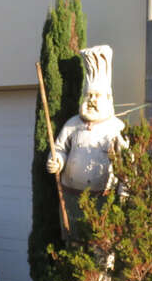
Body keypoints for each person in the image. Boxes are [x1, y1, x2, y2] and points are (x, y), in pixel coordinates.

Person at [46, 45, 128, 236]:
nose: (91, 100)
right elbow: (59, 148)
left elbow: (126, 166)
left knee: (100, 248)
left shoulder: (116, 128)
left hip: (101, 202)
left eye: (96, 96)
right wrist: (57, 160)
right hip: (70, 199)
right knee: (72, 246)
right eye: (88, 95)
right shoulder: (72, 124)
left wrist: (123, 194)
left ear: (108, 98)